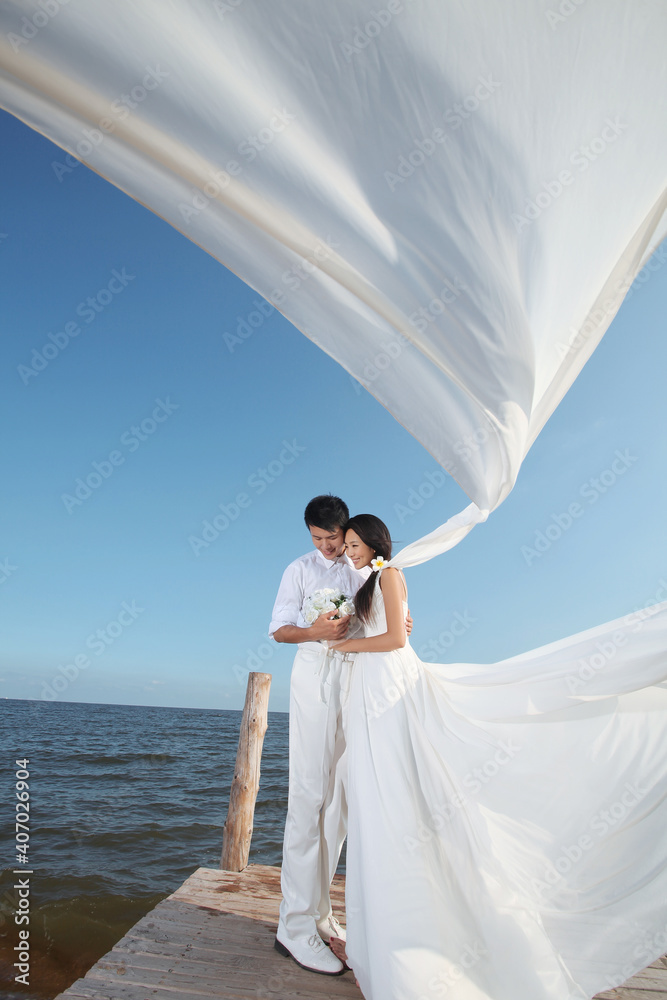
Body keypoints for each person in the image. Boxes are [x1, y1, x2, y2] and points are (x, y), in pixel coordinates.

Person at [329, 513, 667, 1000]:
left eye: (357, 543)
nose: (352, 550)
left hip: (388, 681)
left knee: (397, 787)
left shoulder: (392, 574)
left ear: (376, 542)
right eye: (350, 544)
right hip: (371, 686)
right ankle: (382, 933)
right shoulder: (369, 583)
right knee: (378, 793)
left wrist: (348, 647)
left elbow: (399, 640)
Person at [268, 495, 371, 975]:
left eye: (334, 538)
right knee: (308, 798)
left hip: (355, 680)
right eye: (318, 539)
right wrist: (314, 631)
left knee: (340, 804)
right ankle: (292, 926)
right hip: (313, 682)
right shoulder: (299, 569)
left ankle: (320, 914)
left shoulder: (360, 567)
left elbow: (377, 619)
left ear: (346, 530)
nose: (328, 547)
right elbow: (278, 632)